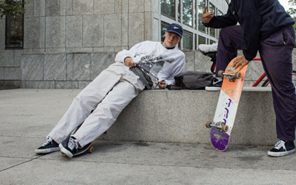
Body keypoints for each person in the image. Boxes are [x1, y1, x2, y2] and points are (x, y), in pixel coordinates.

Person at [35, 23, 185, 158]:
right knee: (84, 99)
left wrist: (164, 83)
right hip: (119, 69)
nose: (172, 39)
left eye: (176, 37)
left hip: (136, 81)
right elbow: (123, 53)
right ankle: (56, 138)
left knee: (108, 107)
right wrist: (126, 58)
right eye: (170, 34)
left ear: (179, 40)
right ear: (165, 33)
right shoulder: (147, 44)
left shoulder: (179, 56)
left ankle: (78, 141)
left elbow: (175, 78)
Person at [202, 0, 296, 157]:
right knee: (228, 34)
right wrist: (210, 22)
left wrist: (247, 55)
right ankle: (221, 76)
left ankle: (287, 141)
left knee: (282, 88)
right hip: (264, 35)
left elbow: (251, 24)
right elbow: (231, 20)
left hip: (276, 36)